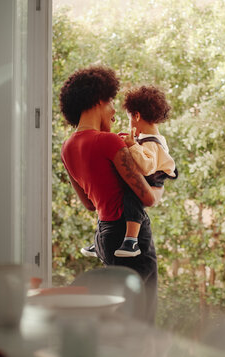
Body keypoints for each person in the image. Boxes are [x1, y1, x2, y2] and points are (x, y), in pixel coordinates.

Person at [59, 65, 163, 322]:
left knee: (119, 315)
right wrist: (159, 175)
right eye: (111, 102)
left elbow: (88, 204)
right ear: (98, 100)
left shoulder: (67, 147)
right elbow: (147, 198)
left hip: (104, 234)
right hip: (130, 237)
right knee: (141, 318)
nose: (115, 111)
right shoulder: (109, 141)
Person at [80, 85, 177, 258]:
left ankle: (131, 240)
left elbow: (147, 166)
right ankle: (100, 241)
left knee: (131, 199)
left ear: (137, 116)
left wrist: (132, 146)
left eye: (130, 119)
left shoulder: (152, 142)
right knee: (112, 195)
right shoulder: (146, 140)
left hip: (152, 180)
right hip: (148, 177)